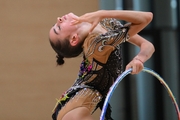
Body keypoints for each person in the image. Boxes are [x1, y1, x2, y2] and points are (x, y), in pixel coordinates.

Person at [48, 10, 155, 120]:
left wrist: (139, 59)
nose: (58, 19)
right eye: (58, 28)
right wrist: (102, 13)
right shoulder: (96, 44)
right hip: (75, 111)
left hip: (75, 104)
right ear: (74, 39)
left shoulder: (104, 23)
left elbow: (147, 45)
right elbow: (146, 18)